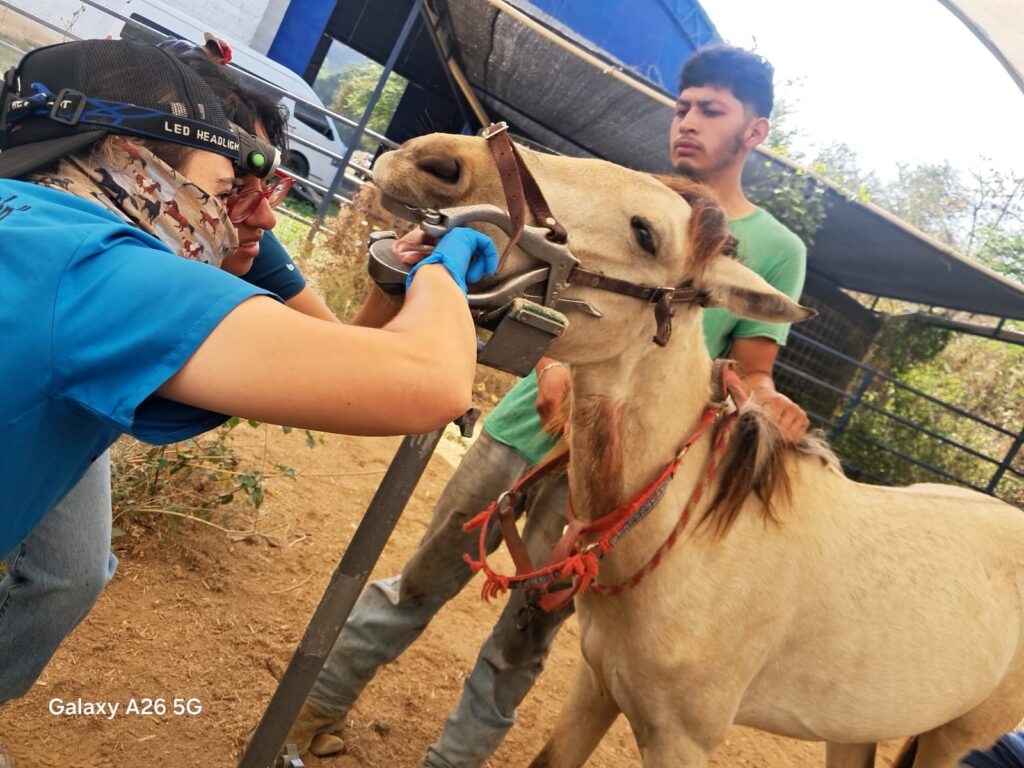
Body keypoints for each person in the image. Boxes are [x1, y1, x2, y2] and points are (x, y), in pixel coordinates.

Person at [286, 44, 810, 766]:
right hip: (526, 424)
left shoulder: (775, 249)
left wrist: (769, 402)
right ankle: (310, 710)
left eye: (711, 111)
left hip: (626, 482)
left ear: (754, 132)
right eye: (683, 106)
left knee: (527, 634)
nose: (686, 122)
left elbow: (755, 368)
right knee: (426, 574)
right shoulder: (628, 188)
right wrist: (550, 362)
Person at [0, 38, 497, 763]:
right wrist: (446, 276)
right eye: (232, 178)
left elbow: (337, 351)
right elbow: (418, 380)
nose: (255, 213)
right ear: (140, 161)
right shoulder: (106, 270)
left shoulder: (38, 214)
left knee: (72, 570)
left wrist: (392, 284)